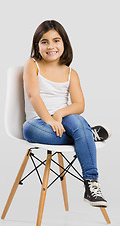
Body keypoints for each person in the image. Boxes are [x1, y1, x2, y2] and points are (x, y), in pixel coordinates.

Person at [23, 20, 108, 207]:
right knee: (28, 129)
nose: (50, 46)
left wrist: (60, 113)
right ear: (37, 46)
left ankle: (91, 184)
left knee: (77, 120)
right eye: (44, 42)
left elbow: (79, 105)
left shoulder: (71, 73)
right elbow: (33, 95)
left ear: (64, 44)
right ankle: (87, 136)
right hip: (39, 122)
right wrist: (48, 119)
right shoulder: (32, 65)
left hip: (64, 121)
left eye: (56, 41)